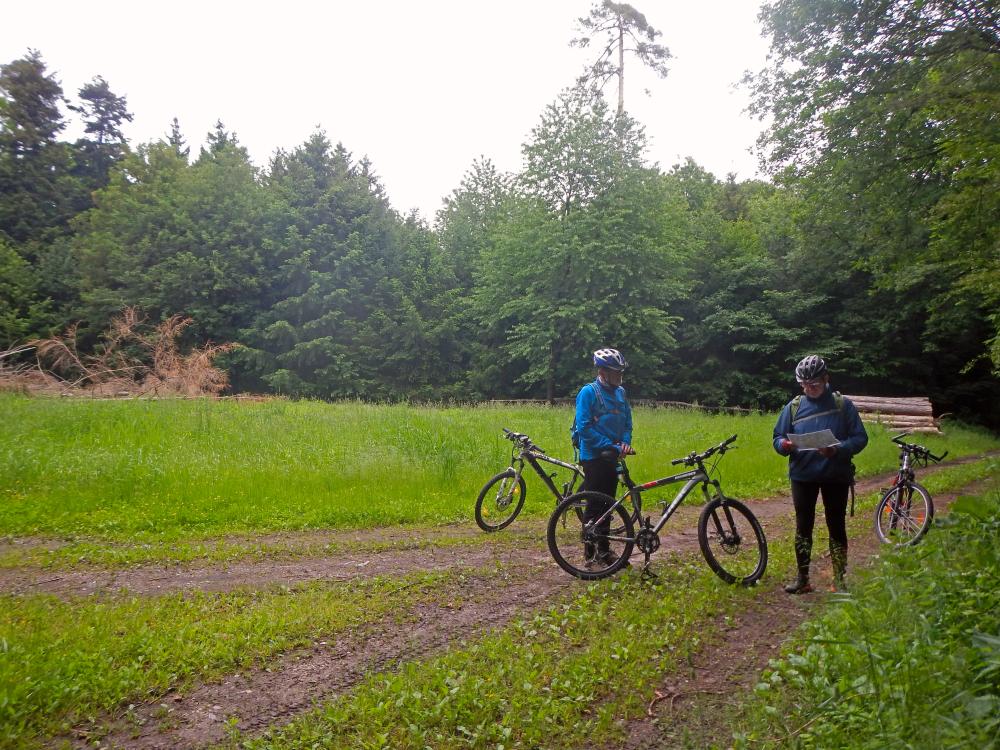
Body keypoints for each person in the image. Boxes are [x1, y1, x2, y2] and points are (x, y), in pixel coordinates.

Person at [773, 355, 868, 593]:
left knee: (836, 526)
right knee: (803, 527)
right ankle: (803, 579)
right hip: (802, 476)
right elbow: (777, 437)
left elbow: (860, 438)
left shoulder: (842, 405)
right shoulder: (793, 407)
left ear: (826, 379)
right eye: (804, 385)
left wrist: (837, 449)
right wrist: (783, 445)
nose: (808, 389)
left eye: (813, 384)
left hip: (835, 476)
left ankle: (839, 580)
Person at [573, 348, 635, 568]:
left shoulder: (621, 393)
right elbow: (584, 428)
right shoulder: (588, 392)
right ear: (602, 371)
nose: (619, 377)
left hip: (613, 456)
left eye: (621, 373)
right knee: (595, 504)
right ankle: (590, 551)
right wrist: (609, 445)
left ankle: (605, 550)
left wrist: (624, 442)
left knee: (609, 504)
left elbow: (627, 422)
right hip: (594, 456)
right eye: (615, 372)